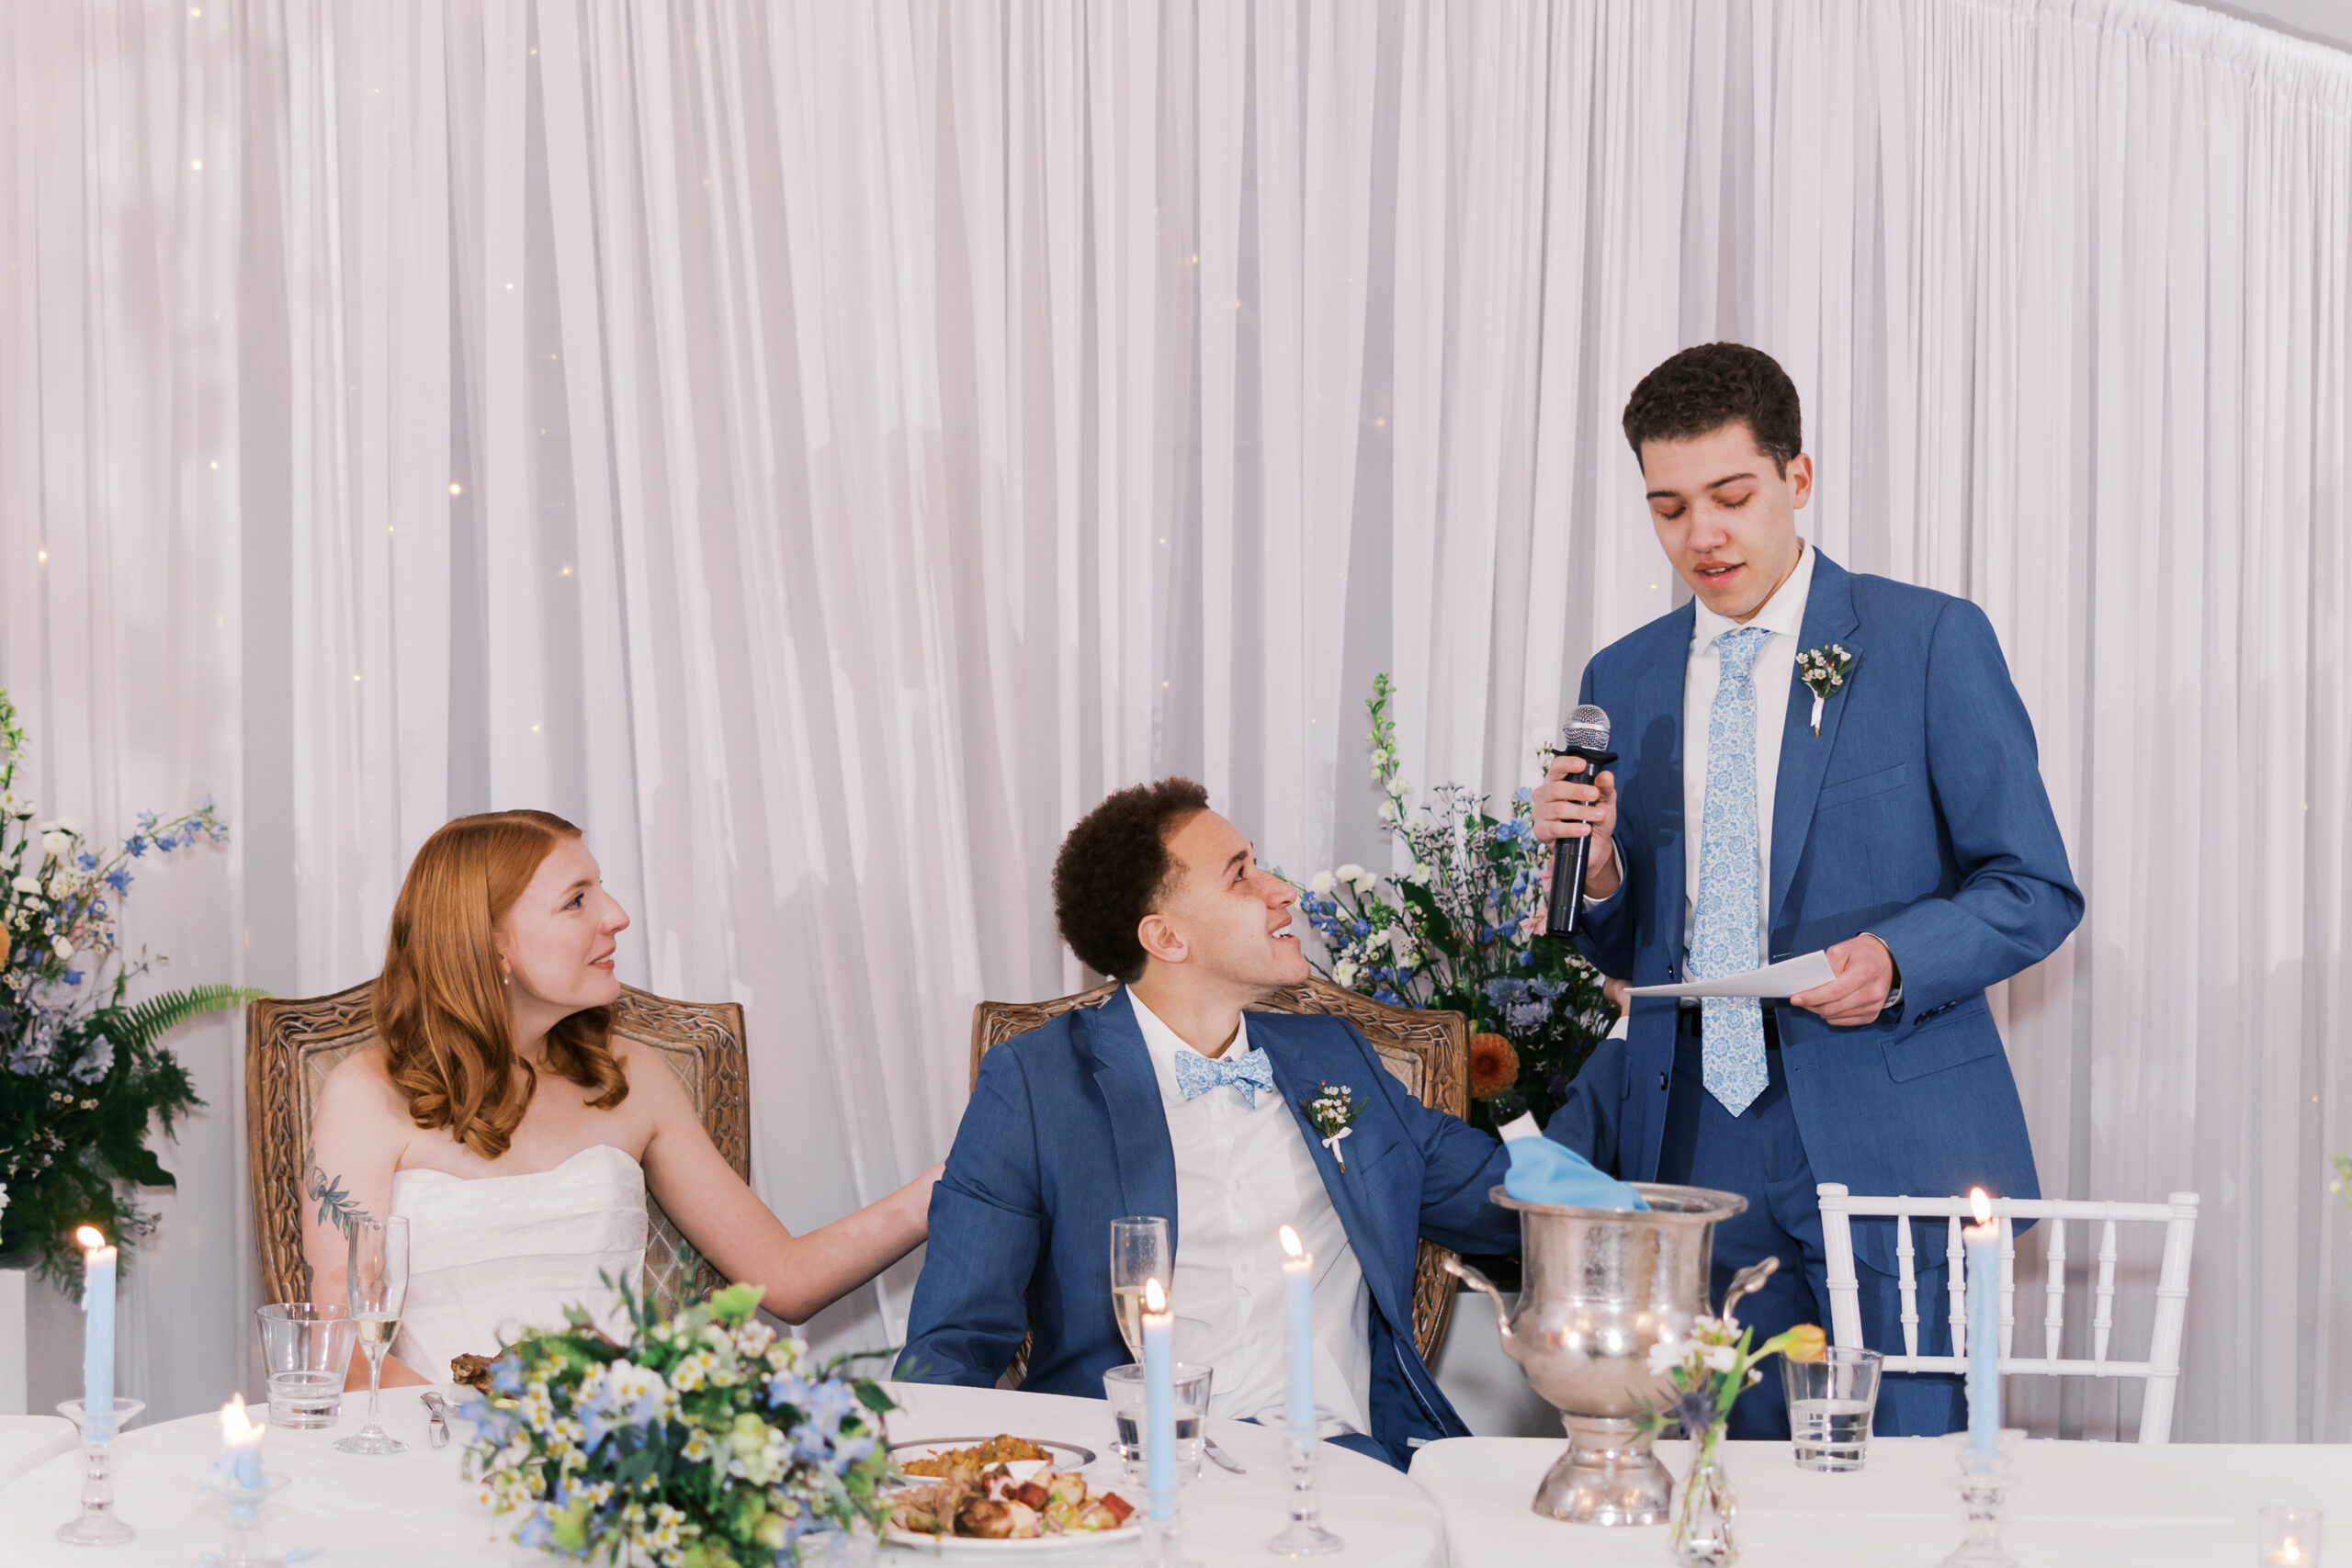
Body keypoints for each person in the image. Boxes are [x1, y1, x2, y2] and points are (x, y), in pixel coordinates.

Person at [1532, 343, 2081, 1438]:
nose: (1703, 536)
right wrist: (1596, 876)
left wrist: (1894, 961)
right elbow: (1619, 948)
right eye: (1669, 507)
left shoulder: (1928, 640)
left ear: (1798, 477)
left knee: (1916, 1476)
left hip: (1894, 1124)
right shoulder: (1620, 676)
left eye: (1731, 497)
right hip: (1689, 1139)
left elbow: (2032, 886)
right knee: (1708, 1482)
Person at [896, 779, 1515, 1469]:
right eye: (1242, 874)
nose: (1283, 890)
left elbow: (1516, 1197)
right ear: (1166, 936)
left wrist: (1627, 1033)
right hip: (1130, 1473)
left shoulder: (1336, 1057)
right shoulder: (1037, 1083)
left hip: (1338, 1474)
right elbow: (955, 1339)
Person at [302, 808, 943, 1388]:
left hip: (617, 1457)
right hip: (432, 1456)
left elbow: (788, 1278)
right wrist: (486, 1436)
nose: (616, 914)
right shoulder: (366, 1096)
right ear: (493, 939)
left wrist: (952, 1185)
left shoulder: (632, 1078)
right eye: (577, 900)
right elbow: (346, 1341)